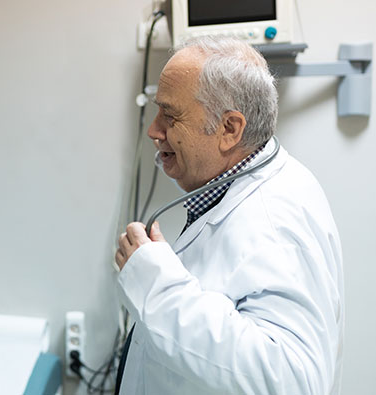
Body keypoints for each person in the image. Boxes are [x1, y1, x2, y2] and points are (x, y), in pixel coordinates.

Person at [114, 36, 343, 394]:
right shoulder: (235, 189)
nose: (153, 130)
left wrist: (156, 284)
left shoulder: (274, 220)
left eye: (170, 115)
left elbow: (293, 381)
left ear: (230, 129)